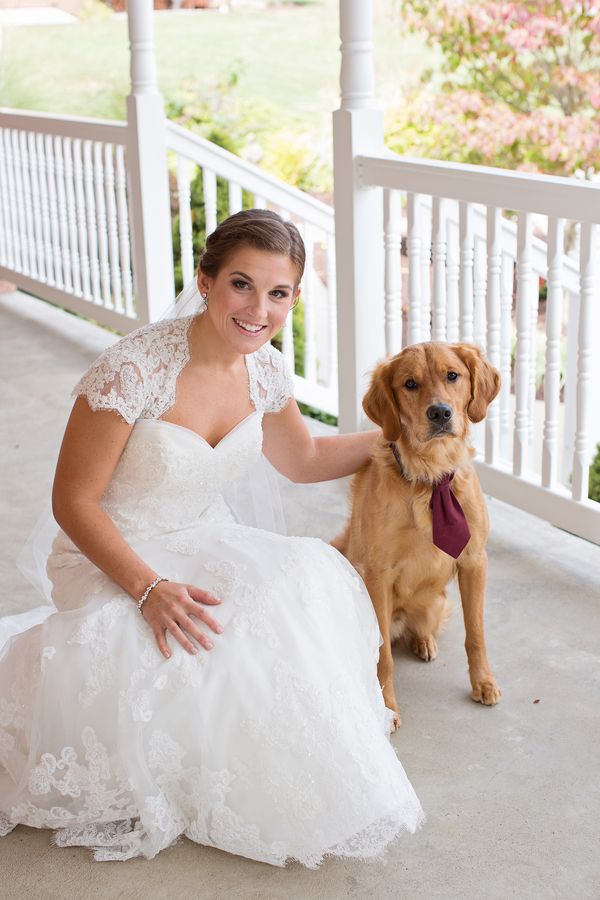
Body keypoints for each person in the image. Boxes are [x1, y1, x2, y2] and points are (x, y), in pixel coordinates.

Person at [0, 209, 424, 866]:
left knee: (301, 585)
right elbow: (72, 502)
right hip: (114, 554)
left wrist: (406, 440)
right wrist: (149, 590)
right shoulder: (131, 372)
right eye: (241, 285)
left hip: (202, 537)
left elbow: (303, 459)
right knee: (184, 653)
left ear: (293, 297)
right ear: (205, 281)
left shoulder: (266, 370)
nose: (258, 309)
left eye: (278, 292)